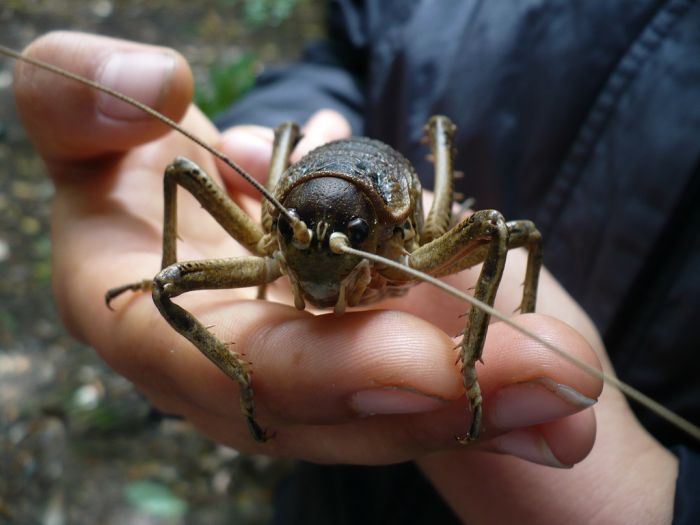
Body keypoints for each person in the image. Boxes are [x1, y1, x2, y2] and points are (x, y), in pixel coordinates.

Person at [13, 0, 698, 522]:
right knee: (170, 274)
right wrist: (240, 376)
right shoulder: (276, 231)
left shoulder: (408, 248)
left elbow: (507, 237)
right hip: (322, 483)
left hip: (403, 224)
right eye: (291, 241)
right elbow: (341, 51)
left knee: (500, 229)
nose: (310, 263)